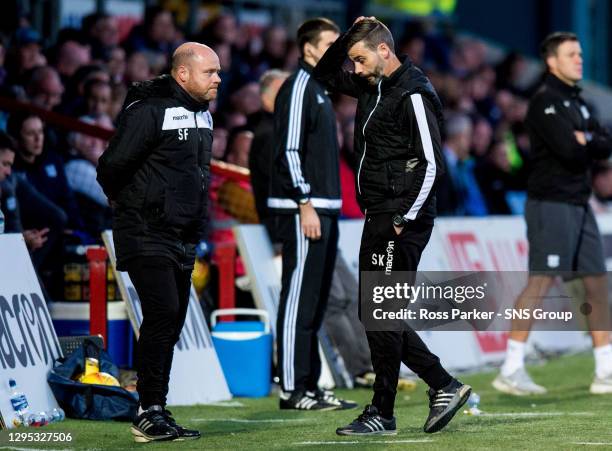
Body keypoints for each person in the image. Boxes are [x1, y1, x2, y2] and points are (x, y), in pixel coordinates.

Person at [313, 17, 471, 435]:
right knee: (378, 312)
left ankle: (387, 408)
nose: (356, 68)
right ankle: (439, 385)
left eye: (361, 58)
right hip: (381, 212)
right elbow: (324, 73)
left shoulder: (415, 93)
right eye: (354, 60)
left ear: (385, 51)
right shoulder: (372, 83)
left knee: (380, 311)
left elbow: (434, 164)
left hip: (400, 216)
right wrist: (348, 37)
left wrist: (404, 217)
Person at [97, 42, 221, 442]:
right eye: (210, 72)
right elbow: (112, 165)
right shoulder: (149, 110)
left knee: (169, 323)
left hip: (183, 236)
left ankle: (154, 409)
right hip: (147, 230)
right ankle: (148, 410)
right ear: (182, 74)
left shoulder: (203, 115)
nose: (218, 79)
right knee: (164, 314)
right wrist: (131, 204)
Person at [493, 32, 612, 396]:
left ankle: (605, 370)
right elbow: (570, 151)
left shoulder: (580, 102)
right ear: (551, 61)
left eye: (580, 53)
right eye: (571, 54)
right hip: (550, 203)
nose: (579, 59)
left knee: (596, 282)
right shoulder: (544, 102)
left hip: (579, 203)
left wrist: (587, 140)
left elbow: (605, 142)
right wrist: (586, 142)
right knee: (541, 281)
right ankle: (511, 368)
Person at [268, 18, 355, 411]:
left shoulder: (320, 87)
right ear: (308, 49)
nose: (338, 50)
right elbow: (288, 151)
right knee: (298, 299)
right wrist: (304, 203)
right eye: (330, 44)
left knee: (316, 301)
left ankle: (309, 384)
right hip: (305, 209)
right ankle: (291, 388)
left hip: (324, 208)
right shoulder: (300, 86)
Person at [247, 69, 289, 240]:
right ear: (265, 99)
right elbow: (281, 181)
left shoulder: (278, 131)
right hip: (282, 227)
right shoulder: (270, 135)